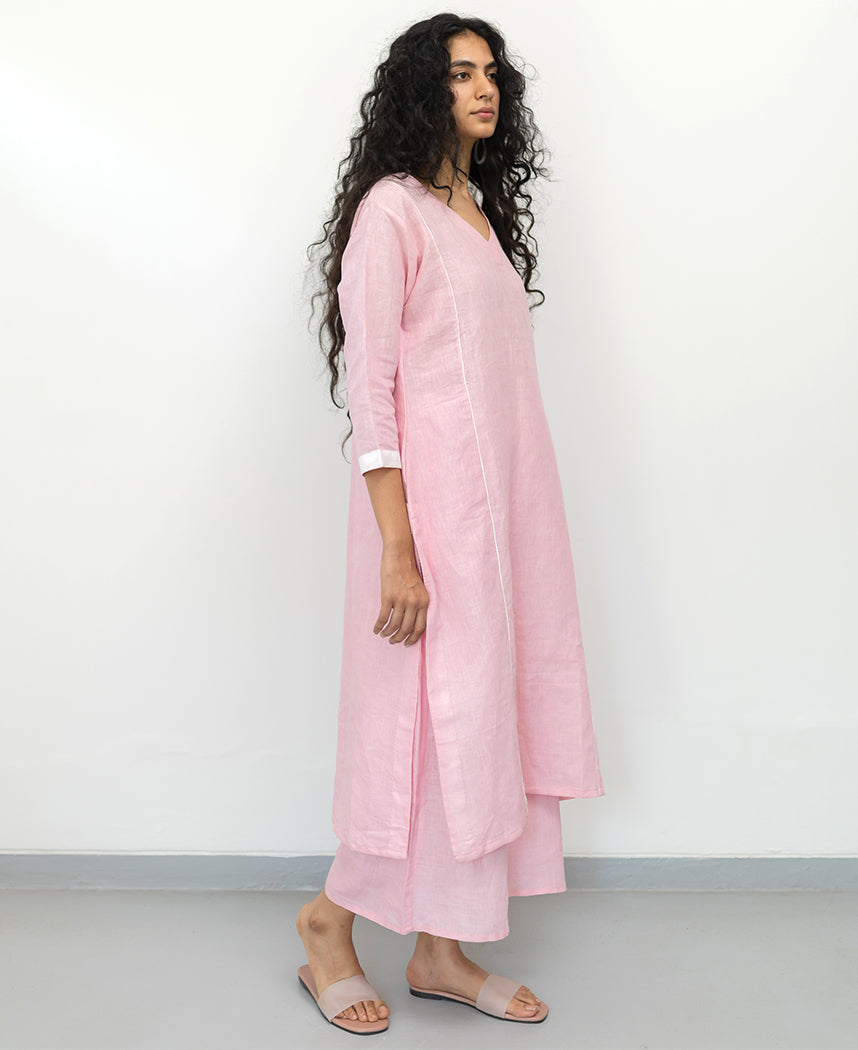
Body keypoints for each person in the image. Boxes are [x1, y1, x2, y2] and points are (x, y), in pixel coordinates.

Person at [300, 13, 605, 1036]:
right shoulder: (391, 212)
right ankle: (327, 925)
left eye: (491, 73)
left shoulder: (471, 210)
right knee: (421, 724)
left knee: (481, 720)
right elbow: (375, 394)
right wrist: (399, 548)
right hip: (428, 521)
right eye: (460, 73)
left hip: (502, 523)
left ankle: (439, 949)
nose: (484, 88)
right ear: (420, 92)